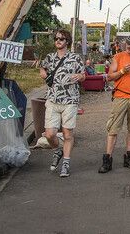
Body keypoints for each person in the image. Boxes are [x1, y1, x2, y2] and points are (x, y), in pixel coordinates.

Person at [38, 29, 85, 177]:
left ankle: (66, 162)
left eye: (62, 39)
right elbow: (42, 68)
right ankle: (58, 150)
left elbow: (83, 76)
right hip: (52, 99)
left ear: (67, 42)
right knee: (50, 134)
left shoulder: (75, 58)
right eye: (56, 38)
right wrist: (43, 73)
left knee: (67, 133)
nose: (58, 41)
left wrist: (79, 76)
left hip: (70, 100)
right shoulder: (50, 57)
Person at [98, 33, 130, 173]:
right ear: (125, 43)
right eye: (128, 44)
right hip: (120, 96)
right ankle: (107, 159)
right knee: (113, 128)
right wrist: (121, 71)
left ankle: (129, 157)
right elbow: (109, 77)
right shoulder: (118, 57)